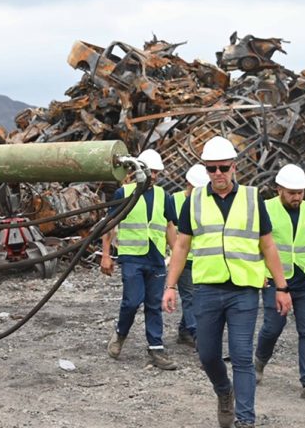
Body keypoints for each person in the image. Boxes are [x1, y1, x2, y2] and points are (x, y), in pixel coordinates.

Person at [162, 136, 292, 428]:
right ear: (205, 169)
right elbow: (181, 246)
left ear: (234, 167)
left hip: (244, 291)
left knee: (242, 357)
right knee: (207, 356)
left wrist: (281, 288)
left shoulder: (251, 198)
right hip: (206, 290)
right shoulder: (193, 200)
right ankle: (224, 392)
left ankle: (246, 420)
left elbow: (268, 245)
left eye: (223, 167)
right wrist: (170, 286)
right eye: (212, 169)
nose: (218, 174)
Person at [254, 164, 305, 404]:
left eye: (300, 192)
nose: (297, 197)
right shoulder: (265, 209)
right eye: (292, 192)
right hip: (275, 281)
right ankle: (258, 364)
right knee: (273, 327)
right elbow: (253, 245)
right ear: (279, 189)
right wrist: (259, 272)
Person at [101, 148, 178, 371]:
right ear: (138, 170)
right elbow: (109, 224)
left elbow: (169, 226)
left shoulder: (164, 196)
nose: (153, 176)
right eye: (150, 171)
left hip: (155, 258)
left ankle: (156, 348)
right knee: (132, 301)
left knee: (154, 304)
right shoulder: (123, 194)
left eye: (156, 173)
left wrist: (176, 255)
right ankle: (120, 334)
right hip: (132, 257)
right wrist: (106, 255)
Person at [172, 163, 210, 347]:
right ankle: (198, 337)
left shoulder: (206, 201)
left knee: (197, 298)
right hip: (184, 260)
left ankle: (184, 331)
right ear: (188, 183)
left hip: (202, 259)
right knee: (190, 299)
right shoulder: (175, 201)